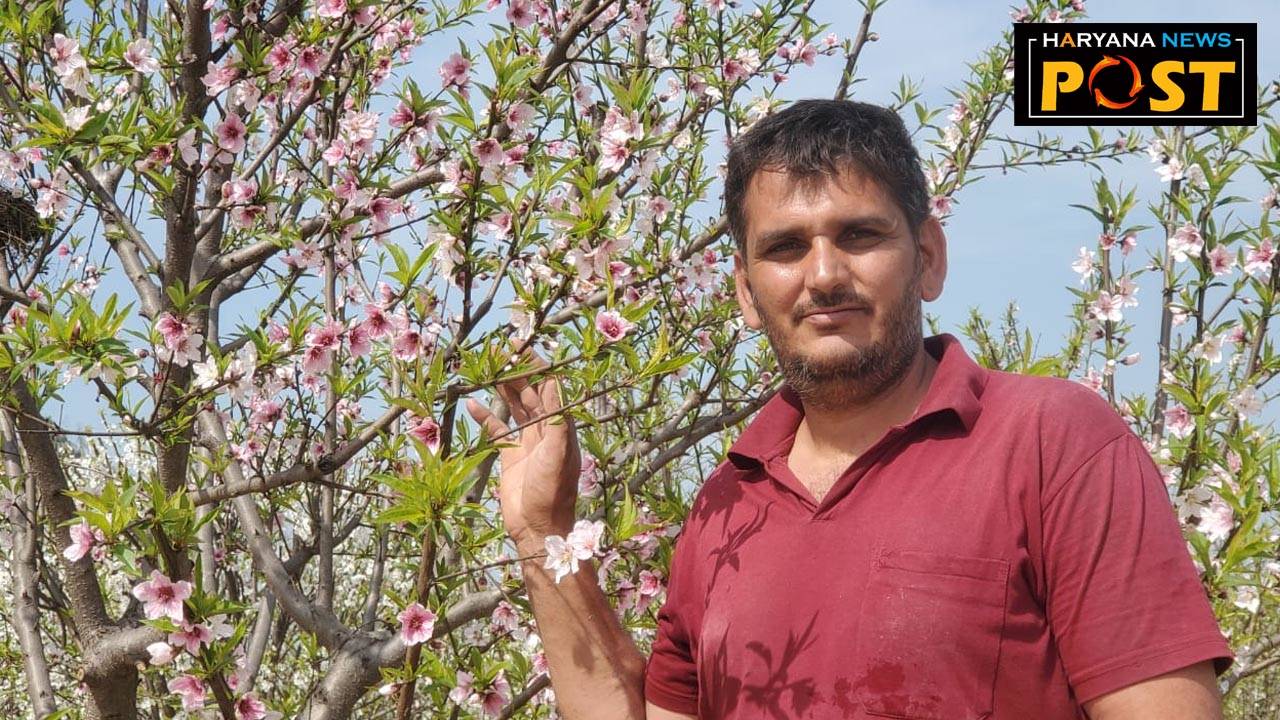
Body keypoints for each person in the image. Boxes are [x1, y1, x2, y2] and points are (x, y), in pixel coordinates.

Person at [464, 99, 1234, 720]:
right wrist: (544, 533)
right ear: (744, 289)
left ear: (927, 257)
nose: (824, 275)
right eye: (785, 247)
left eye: (860, 235)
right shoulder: (727, 504)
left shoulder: (1052, 439)